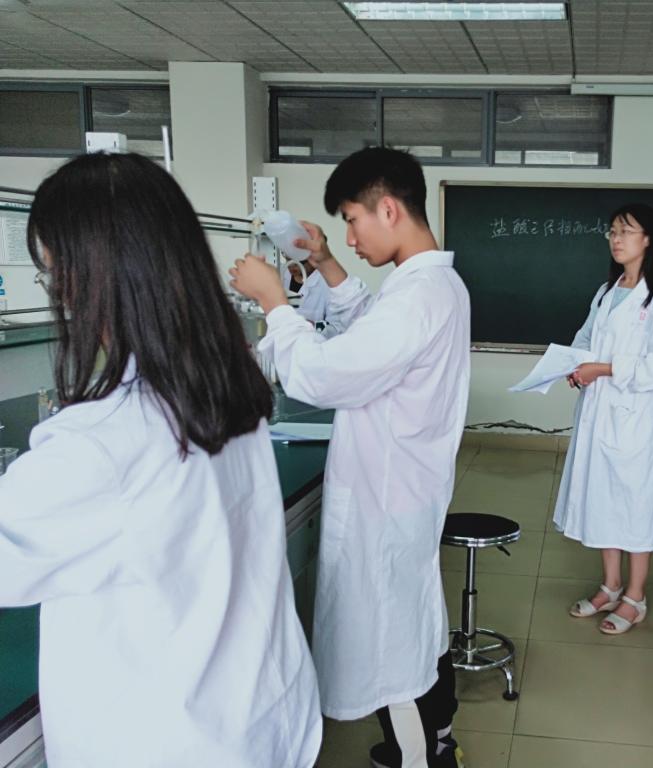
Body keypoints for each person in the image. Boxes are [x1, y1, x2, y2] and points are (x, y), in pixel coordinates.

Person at [0, 153, 322, 768]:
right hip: (258, 719)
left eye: (54, 276)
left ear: (91, 279)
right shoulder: (225, 390)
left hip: (169, 741)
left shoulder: (100, 443)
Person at [230, 147, 469, 768]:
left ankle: (422, 759)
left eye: (352, 221)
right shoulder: (429, 286)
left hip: (385, 501)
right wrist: (325, 262)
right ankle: (435, 740)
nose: (351, 237)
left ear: (388, 209)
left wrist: (274, 303)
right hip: (404, 493)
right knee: (409, 628)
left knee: (392, 648)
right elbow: (371, 332)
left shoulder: (417, 298)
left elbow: (325, 374)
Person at [553, 202, 653, 636]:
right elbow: (586, 336)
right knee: (602, 499)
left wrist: (603, 369)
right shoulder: (607, 292)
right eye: (612, 231)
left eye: (626, 231)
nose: (616, 239)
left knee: (633, 503)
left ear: (648, 239)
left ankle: (635, 596)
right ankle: (609, 586)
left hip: (633, 419)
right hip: (598, 411)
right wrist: (576, 365)